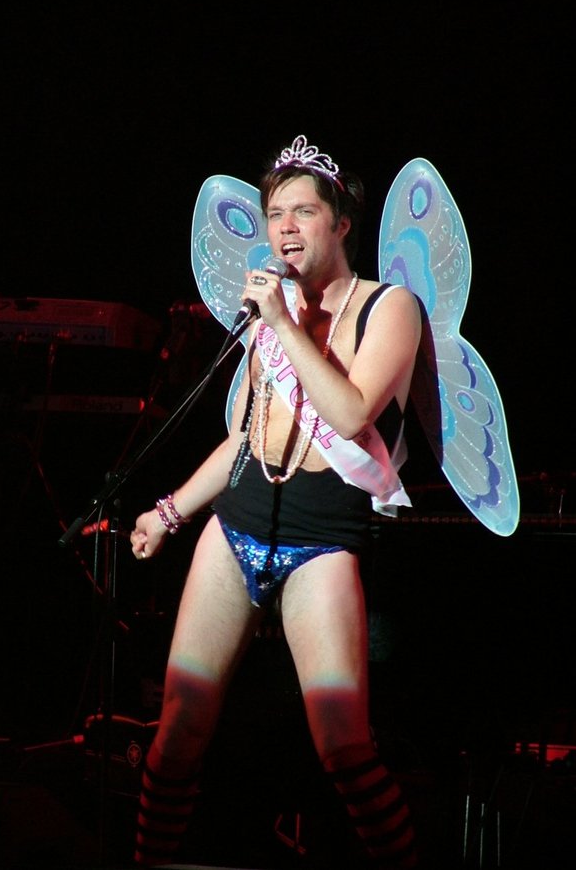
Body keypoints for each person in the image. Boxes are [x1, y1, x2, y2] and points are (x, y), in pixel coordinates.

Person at [129, 134, 422, 869]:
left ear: (341, 222)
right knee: (177, 734)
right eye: (274, 214)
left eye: (303, 212)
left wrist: (286, 327)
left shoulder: (390, 308)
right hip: (237, 528)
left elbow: (351, 414)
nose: (285, 227)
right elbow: (245, 437)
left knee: (344, 747)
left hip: (322, 540)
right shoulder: (276, 313)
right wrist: (169, 513)